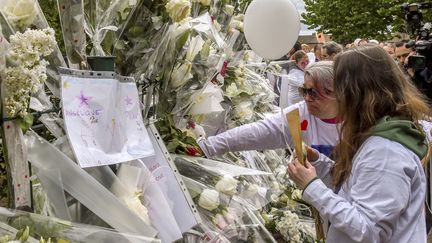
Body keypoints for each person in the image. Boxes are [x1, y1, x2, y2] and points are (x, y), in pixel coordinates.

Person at [288, 45, 431, 242]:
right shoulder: (377, 134)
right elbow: (358, 188)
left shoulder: (385, 151)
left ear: (355, 92)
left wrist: (312, 186)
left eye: (335, 88)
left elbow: (369, 230)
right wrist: (321, 164)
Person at [198, 61, 340, 158]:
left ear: (336, 92)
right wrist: (207, 147)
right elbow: (258, 132)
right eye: (304, 91)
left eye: (314, 93)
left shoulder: (359, 123)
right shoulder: (299, 114)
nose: (307, 98)